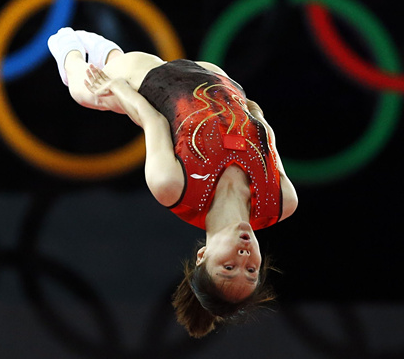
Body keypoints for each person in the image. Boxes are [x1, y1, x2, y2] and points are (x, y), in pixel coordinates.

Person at [47, 27, 298, 338]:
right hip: (220, 81)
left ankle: (66, 46)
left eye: (228, 267)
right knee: (109, 68)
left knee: (89, 91)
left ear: (203, 256)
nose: (243, 257)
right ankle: (103, 54)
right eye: (250, 271)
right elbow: (266, 138)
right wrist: (250, 110)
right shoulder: (281, 201)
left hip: (157, 81)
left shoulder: (174, 189)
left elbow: (154, 121)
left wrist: (117, 89)